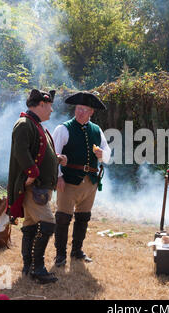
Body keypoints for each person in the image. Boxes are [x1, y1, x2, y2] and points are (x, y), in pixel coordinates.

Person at [7, 89, 67, 284]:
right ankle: (38, 268)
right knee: (49, 223)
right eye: (50, 106)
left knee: (31, 225)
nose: (51, 110)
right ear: (41, 104)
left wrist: (57, 159)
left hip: (41, 186)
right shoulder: (24, 124)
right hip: (35, 186)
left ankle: (28, 266)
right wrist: (32, 173)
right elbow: (20, 151)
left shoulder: (36, 125)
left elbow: (40, 152)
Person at [52, 91, 111, 267]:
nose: (80, 112)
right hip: (68, 180)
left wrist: (102, 155)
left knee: (83, 217)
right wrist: (58, 177)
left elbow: (107, 154)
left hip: (90, 181)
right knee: (63, 218)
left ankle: (77, 251)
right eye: (78, 108)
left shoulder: (97, 130)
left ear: (91, 112)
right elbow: (53, 155)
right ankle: (60, 255)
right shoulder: (63, 129)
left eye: (84, 110)